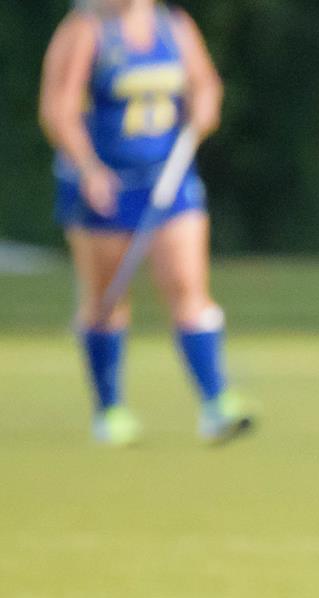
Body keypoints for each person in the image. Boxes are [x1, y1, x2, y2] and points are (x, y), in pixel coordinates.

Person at [38, 0, 252, 446]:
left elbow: (205, 86)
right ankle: (110, 408)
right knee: (107, 301)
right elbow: (58, 110)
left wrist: (204, 110)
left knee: (188, 288)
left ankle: (217, 403)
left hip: (169, 178)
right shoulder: (85, 30)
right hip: (106, 185)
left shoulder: (174, 27)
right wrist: (90, 170)